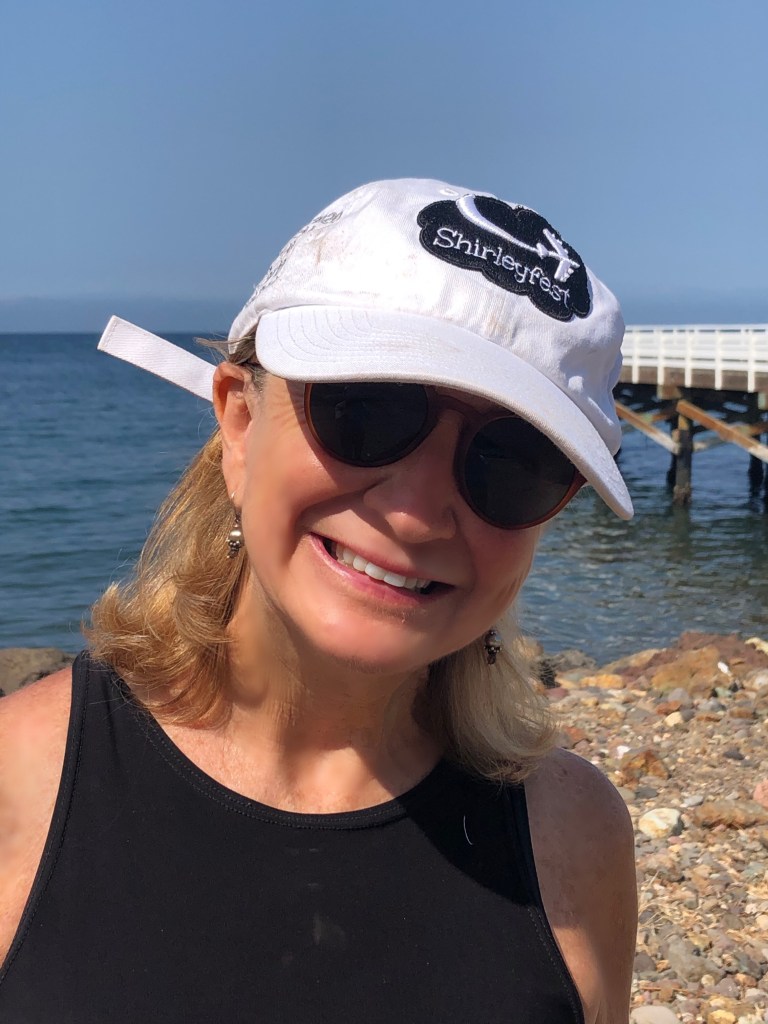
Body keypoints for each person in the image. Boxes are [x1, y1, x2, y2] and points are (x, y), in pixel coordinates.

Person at [0, 178, 637, 1022]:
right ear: (239, 423)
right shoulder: (20, 782)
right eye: (366, 411)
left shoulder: (573, 834)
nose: (415, 512)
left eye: (514, 462)